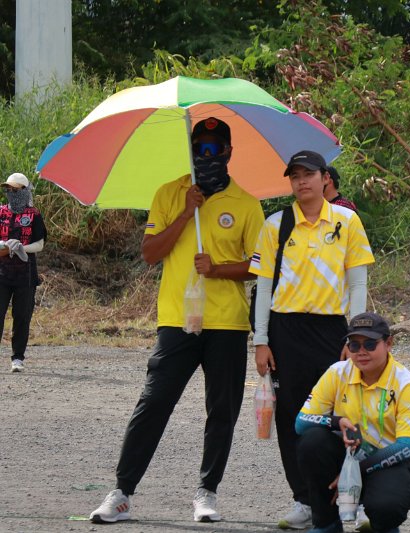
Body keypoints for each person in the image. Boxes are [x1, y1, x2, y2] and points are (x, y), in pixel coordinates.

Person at [89, 117, 265, 524]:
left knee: (222, 411)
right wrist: (186, 213)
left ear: (227, 152)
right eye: (198, 148)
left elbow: (259, 265)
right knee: (153, 403)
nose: (206, 156)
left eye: (213, 149)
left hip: (227, 323)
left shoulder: (246, 203)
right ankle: (122, 492)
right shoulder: (170, 194)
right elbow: (151, 252)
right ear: (190, 152)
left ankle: (207, 493)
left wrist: (219, 268)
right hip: (177, 320)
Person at [249, 150, 375, 529]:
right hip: (286, 331)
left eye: (309, 174)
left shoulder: (347, 221)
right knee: (291, 417)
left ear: (325, 178)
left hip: (332, 330)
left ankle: (355, 495)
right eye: (295, 176)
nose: (302, 181)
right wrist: (261, 341)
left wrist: (355, 339)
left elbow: (357, 282)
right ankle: (305, 499)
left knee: (346, 413)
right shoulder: (276, 224)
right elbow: (264, 285)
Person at [295, 312, 410, 533]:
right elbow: (301, 423)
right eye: (354, 345)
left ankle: (384, 526)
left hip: (388, 461)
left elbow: (407, 446)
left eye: (371, 344)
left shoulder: (406, 383)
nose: (362, 352)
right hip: (344, 456)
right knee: (311, 442)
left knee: (387, 506)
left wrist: (355, 472)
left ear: (389, 343)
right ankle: (326, 524)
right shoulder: (338, 372)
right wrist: (336, 421)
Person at [0, 173, 47, 373]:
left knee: (21, 316)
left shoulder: (34, 214)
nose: (11, 193)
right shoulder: (0, 212)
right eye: (8, 189)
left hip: (25, 275)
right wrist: (3, 245)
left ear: (25, 191)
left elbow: (40, 244)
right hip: (1, 273)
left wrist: (21, 248)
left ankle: (17, 357)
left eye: (16, 189)